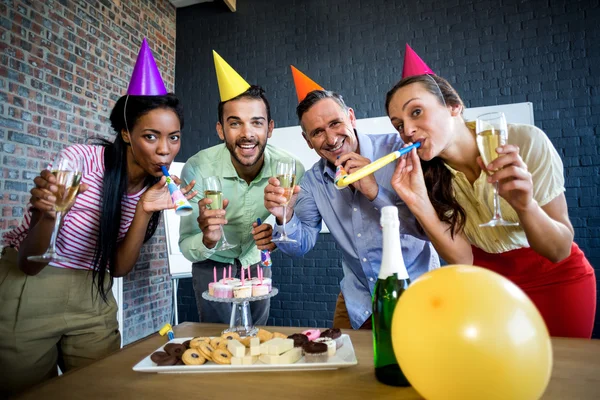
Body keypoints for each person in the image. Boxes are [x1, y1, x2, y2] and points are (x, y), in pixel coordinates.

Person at [0, 39, 195, 396]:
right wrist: (47, 214)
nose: (164, 150)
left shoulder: (153, 189)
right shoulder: (81, 161)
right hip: (33, 287)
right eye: (151, 137)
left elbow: (118, 268)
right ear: (126, 134)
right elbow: (29, 263)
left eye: (173, 138)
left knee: (102, 389)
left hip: (95, 295)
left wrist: (144, 209)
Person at [384, 45, 596, 338]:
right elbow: (463, 260)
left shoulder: (524, 141)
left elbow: (558, 250)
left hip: (556, 279)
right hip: (486, 285)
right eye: (399, 125)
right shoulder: (428, 177)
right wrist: (418, 202)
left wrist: (525, 206)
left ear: (453, 106)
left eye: (416, 112)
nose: (407, 130)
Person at [263, 66, 439, 330]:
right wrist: (283, 217)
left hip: (419, 294)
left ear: (351, 117)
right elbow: (301, 245)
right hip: (359, 302)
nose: (331, 138)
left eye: (335, 123)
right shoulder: (312, 182)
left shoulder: (399, 151)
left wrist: (375, 192)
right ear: (307, 140)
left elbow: (429, 229)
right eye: (318, 132)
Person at [179, 52, 304, 325]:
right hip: (210, 263)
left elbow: (297, 233)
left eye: (256, 122)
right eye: (235, 123)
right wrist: (208, 239)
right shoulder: (197, 168)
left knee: (255, 335)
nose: (247, 134)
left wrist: (280, 226)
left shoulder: (290, 168)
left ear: (270, 128)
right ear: (221, 130)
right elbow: (187, 247)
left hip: (256, 262)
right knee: (217, 338)